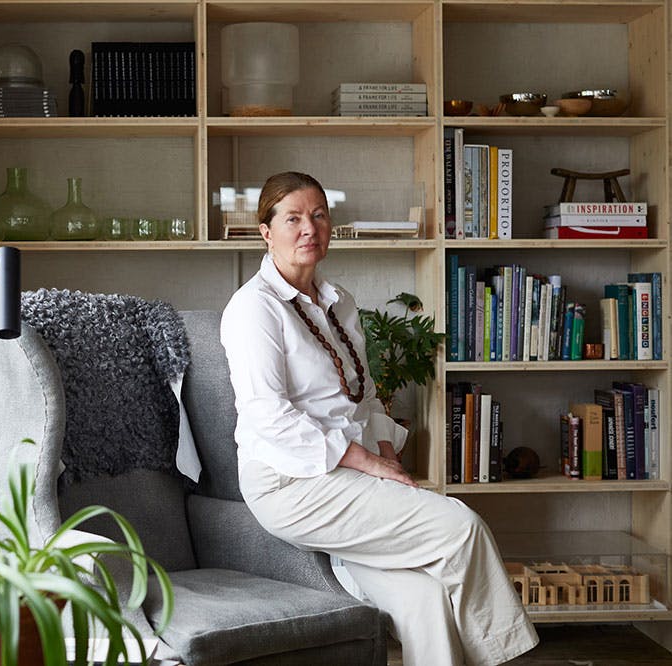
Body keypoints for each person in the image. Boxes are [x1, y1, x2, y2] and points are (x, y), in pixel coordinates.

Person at [220, 171, 538, 666]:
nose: (309, 229)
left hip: (352, 472)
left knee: (424, 600)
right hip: (291, 483)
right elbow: (269, 415)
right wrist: (368, 463)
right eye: (293, 218)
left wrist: (388, 459)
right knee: (461, 528)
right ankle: (508, 657)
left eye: (319, 215)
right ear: (266, 231)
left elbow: (365, 396)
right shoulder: (252, 309)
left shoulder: (340, 302)